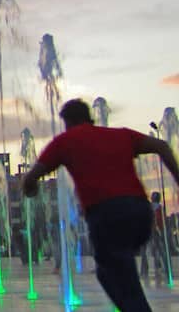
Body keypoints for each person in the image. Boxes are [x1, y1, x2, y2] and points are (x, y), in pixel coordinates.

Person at [23, 99, 179, 312]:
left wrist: (30, 189)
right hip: (140, 213)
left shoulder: (64, 141)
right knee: (114, 270)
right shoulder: (120, 135)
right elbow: (162, 146)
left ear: (67, 122)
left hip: (107, 215)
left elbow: (31, 178)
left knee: (115, 272)